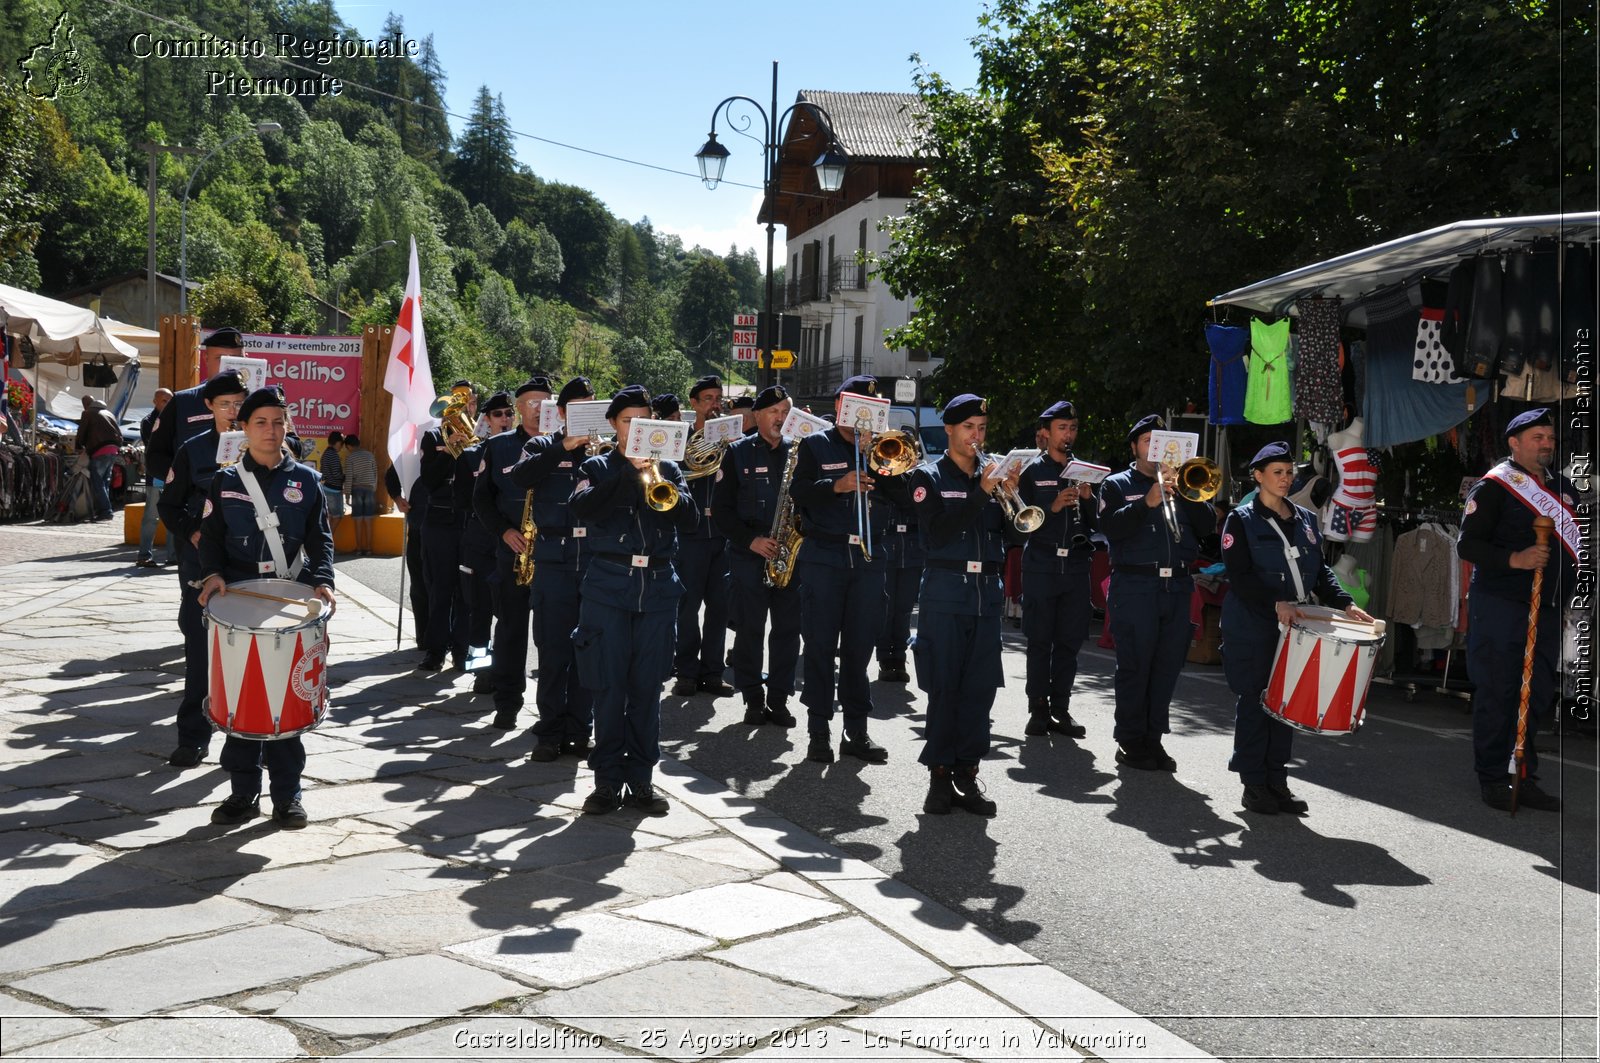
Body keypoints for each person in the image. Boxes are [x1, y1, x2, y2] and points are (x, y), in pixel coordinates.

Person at [197, 386, 336, 829]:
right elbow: (212, 537)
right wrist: (212, 575)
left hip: (289, 598)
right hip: (238, 597)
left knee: (286, 699)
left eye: (279, 422)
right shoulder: (225, 480)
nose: (271, 431)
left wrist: (324, 581)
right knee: (241, 701)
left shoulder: (307, 481)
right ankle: (241, 792)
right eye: (261, 422)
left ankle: (287, 795)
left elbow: (320, 540)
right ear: (243, 428)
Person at [1220, 442, 1371, 815]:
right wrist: (1276, 603)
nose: (1286, 479)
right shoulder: (1240, 519)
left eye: (1289, 472)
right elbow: (1239, 577)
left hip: (1295, 626)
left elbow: (1319, 571)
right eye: (1278, 473)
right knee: (1257, 703)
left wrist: (1346, 603)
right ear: (1258, 476)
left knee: (1284, 705)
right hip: (1255, 623)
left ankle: (1277, 781)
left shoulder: (1304, 518)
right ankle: (1253, 784)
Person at [569, 385, 697, 815]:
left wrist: (658, 479)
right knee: (607, 687)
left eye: (643, 422)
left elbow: (691, 518)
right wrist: (629, 473)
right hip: (608, 586)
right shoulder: (597, 465)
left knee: (646, 690)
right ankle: (606, 781)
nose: (635, 429)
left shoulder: (671, 470)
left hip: (658, 587)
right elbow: (583, 508)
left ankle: (641, 780)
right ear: (613, 425)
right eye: (628, 422)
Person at [910, 395, 1029, 816]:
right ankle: (939, 776)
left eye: (981, 428)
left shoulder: (992, 478)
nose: (976, 437)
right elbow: (939, 533)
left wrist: (1013, 494)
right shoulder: (928, 476)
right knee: (945, 688)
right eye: (968, 428)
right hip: (945, 591)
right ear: (949, 430)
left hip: (986, 594)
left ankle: (967, 772)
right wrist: (981, 492)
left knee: (980, 691)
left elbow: (1018, 537)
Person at [1457, 408, 1577, 812]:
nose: (1546, 444)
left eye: (1550, 437)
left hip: (1547, 607)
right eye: (1537, 437)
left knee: (1537, 693)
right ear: (1514, 443)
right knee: (1500, 691)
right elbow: (1467, 546)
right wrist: (1516, 560)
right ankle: (1493, 776)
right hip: (1502, 605)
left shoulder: (1563, 489)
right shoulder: (1494, 487)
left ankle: (1522, 773)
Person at [790, 375, 907, 765]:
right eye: (859, 407)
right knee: (821, 648)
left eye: (873, 410)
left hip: (869, 559)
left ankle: (856, 731)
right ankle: (819, 731)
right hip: (826, 556)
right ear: (842, 405)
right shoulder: (815, 445)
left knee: (859, 650)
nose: (865, 417)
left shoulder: (880, 449)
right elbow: (799, 492)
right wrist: (835, 486)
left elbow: (902, 499)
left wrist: (885, 463)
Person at [1099, 414, 1217, 771]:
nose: (1155, 449)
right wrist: (1146, 502)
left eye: (1161, 442)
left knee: (1166, 666)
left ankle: (1154, 737)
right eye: (1147, 441)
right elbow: (1110, 528)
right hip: (1136, 585)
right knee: (1135, 665)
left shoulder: (1184, 485)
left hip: (1177, 586)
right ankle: (1130, 740)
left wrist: (1188, 494)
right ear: (1135, 446)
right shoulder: (1116, 485)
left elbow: (1209, 527)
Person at [156, 370, 249, 768]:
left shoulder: (266, 446)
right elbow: (168, 506)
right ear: (209, 406)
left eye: (239, 404)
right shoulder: (193, 449)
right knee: (199, 650)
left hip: (246, 564)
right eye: (225, 404)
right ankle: (193, 736)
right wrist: (192, 533)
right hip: (200, 566)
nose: (233, 411)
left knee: (248, 657)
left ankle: (247, 736)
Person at [510, 375, 598, 760]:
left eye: (592, 409)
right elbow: (522, 478)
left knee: (589, 650)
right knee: (553, 650)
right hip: (554, 557)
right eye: (577, 409)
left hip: (594, 558)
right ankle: (549, 732)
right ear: (561, 413)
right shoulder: (540, 445)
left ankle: (580, 729)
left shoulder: (604, 453)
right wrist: (563, 445)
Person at [713, 384, 801, 727]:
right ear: (758, 416)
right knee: (750, 630)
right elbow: (721, 510)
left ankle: (779, 699)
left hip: (788, 554)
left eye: (785, 412)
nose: (780, 418)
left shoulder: (800, 452)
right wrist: (750, 540)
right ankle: (752, 698)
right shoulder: (738, 453)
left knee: (788, 631)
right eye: (774, 412)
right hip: (749, 553)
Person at [473, 376, 551, 731]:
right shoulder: (500, 446)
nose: (537, 409)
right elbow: (481, 499)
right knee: (510, 631)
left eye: (544, 402)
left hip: (556, 556)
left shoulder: (567, 446)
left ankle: (553, 711)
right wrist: (503, 531)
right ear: (518, 409)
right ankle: (507, 703)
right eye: (530, 403)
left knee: (552, 636)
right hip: (514, 553)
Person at [1016, 401, 1097, 738]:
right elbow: (1018, 523)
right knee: (1040, 641)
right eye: (1062, 428)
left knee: (1069, 641)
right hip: (1042, 563)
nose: (1068, 434)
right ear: (1046, 433)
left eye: (1073, 428)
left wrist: (1089, 499)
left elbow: (1100, 524)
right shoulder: (1031, 472)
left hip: (1075, 565)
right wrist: (1052, 506)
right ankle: (1038, 708)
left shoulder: (1084, 470)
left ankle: (1060, 708)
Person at [671, 375, 735, 697]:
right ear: (694, 403)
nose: (715, 404)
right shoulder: (681, 441)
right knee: (688, 605)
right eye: (708, 398)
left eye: (718, 398)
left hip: (721, 535)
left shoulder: (730, 441)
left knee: (719, 607)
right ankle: (686, 670)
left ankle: (712, 672)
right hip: (690, 533)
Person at [415, 381, 478, 673]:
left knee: (466, 593)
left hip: (467, 524)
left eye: (468, 403)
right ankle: (435, 651)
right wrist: (446, 451)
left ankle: (462, 651)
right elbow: (428, 480)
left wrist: (470, 447)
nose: (461, 409)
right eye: (456, 403)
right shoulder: (431, 437)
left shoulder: (481, 440)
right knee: (440, 590)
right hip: (440, 521)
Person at [458, 392, 513, 692]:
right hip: (480, 545)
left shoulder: (525, 451)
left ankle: (504, 669)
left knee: (509, 614)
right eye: (498, 414)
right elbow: (464, 501)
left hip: (513, 545)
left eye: (508, 413)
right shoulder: (470, 456)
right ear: (486, 421)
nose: (505, 419)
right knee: (478, 612)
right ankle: (481, 672)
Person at [144, 327, 245, 486]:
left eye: (237, 358)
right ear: (206, 358)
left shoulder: (262, 402)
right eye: (221, 358)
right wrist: (184, 480)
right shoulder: (183, 401)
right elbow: (155, 457)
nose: (229, 365)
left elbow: (291, 444)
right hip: (196, 501)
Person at [875, 451, 924, 686]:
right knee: (886, 606)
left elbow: (917, 504)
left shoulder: (922, 477)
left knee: (904, 607)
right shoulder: (883, 475)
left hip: (912, 548)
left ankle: (900, 657)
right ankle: (885, 658)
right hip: (888, 543)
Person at [385, 462, 430, 649]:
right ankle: (424, 637)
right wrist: (396, 498)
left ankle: (445, 635)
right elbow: (391, 475)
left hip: (451, 530)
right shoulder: (411, 450)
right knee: (420, 585)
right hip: (419, 526)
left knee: (447, 588)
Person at [137, 388, 176, 567]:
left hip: (174, 475)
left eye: (170, 400)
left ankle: (174, 556)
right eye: (164, 401)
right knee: (151, 517)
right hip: (157, 476)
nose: (168, 404)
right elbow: (156, 445)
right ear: (155, 402)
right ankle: (144, 555)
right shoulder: (148, 421)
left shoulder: (176, 418)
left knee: (173, 516)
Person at [75, 393, 123, 522]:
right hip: (113, 450)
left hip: (100, 450)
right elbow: (119, 433)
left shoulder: (88, 413)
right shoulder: (109, 413)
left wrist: (78, 446)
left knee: (97, 482)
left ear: (86, 404)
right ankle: (103, 509)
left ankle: (106, 511)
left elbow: (82, 432)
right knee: (104, 482)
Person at [343, 434, 378, 554]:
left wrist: (347, 495)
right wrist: (373, 487)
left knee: (358, 520)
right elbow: (375, 474)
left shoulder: (350, 458)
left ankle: (358, 548)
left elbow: (349, 478)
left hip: (357, 489)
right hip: (369, 489)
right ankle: (368, 548)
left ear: (349, 446)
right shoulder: (370, 455)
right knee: (368, 520)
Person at [319, 430, 345, 547]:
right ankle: (329, 541)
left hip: (326, 488)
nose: (342, 446)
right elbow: (336, 474)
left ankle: (325, 541)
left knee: (329, 517)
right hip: (334, 490)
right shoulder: (333, 455)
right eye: (341, 443)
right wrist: (346, 477)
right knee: (338, 516)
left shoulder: (325, 453)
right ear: (338, 442)